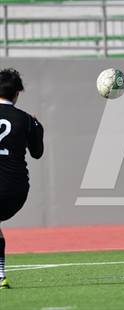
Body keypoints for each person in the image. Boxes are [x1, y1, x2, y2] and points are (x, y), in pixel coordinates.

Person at [0, 68, 44, 289]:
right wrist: (37, 127)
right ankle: (0, 276)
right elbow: (37, 153)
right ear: (17, 94)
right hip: (16, 192)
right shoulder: (26, 120)